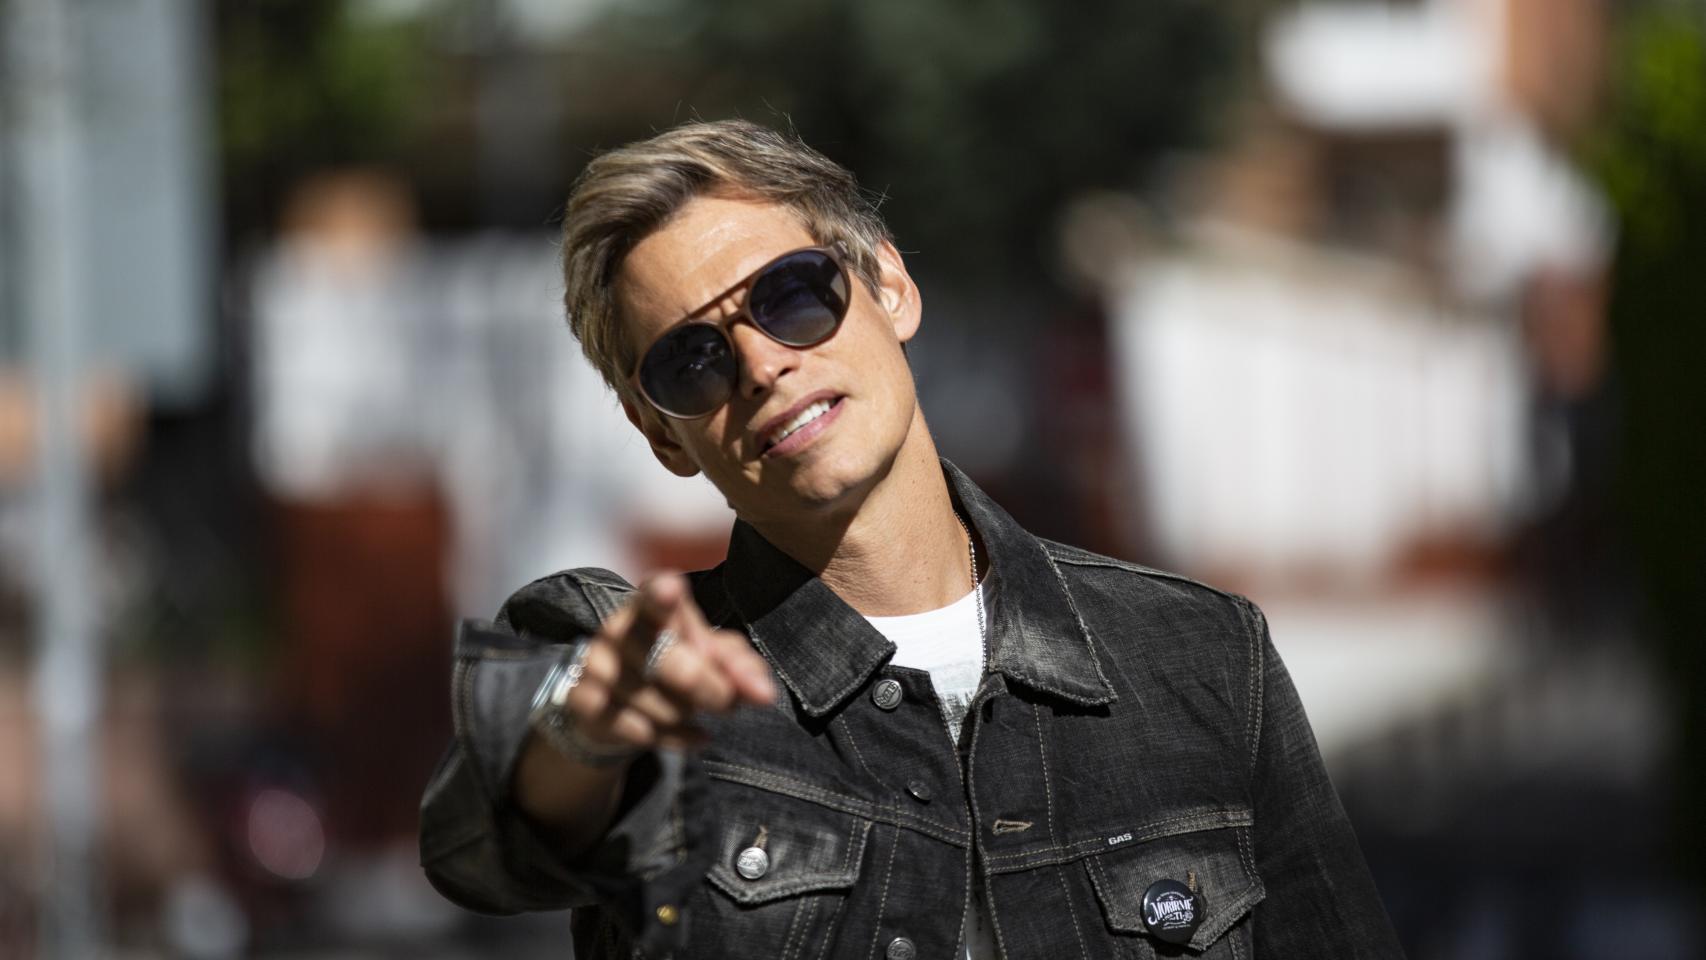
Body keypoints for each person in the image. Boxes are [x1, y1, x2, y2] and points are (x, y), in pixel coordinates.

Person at [418, 119, 1405, 959]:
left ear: (888, 286)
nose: (760, 364)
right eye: (692, 359)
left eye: (790, 294)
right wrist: (582, 745)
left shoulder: (1202, 654)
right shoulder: (638, 665)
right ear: (661, 436)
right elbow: (480, 841)